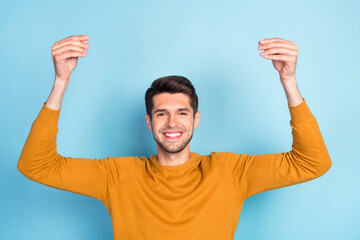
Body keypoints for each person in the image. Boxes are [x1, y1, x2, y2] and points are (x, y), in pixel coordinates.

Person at [18, 35, 332, 240]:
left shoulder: (230, 172)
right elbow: (36, 166)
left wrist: (288, 81)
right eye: (161, 113)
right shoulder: (117, 176)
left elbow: (313, 163)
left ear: (196, 119)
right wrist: (61, 81)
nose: (172, 122)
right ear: (148, 121)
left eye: (182, 113)